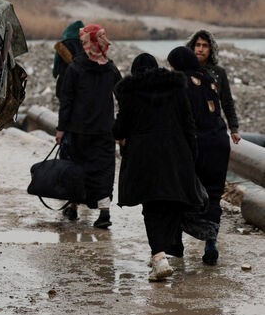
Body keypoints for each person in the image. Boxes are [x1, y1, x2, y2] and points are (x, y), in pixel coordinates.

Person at [113, 53, 207, 281]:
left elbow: (119, 130)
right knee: (174, 203)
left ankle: (158, 257)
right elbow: (188, 124)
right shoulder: (176, 89)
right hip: (177, 154)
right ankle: (162, 251)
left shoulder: (131, 93)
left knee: (152, 207)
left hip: (145, 158)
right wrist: (191, 155)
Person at [168, 46, 232, 266]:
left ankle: (176, 245)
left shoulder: (180, 82)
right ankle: (211, 243)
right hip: (219, 143)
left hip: (196, 145)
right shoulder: (208, 78)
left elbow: (179, 118)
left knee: (180, 192)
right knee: (213, 195)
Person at [55, 24, 121, 228]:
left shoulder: (75, 68)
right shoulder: (111, 69)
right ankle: (104, 212)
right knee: (104, 171)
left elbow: (67, 100)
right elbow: (124, 98)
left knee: (77, 169)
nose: (83, 45)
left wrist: (61, 128)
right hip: (104, 130)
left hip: (78, 130)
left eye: (84, 42)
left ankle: (73, 208)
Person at [186, 30, 241, 145]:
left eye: (205, 46)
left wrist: (234, 129)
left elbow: (227, 102)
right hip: (190, 131)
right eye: (198, 45)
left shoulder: (219, 73)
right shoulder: (184, 71)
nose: (200, 49)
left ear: (211, 49)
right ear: (192, 47)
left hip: (213, 130)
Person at [53, 20, 85, 97]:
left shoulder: (62, 45)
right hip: (81, 80)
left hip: (64, 78)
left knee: (64, 101)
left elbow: (56, 62)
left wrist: (55, 73)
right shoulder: (85, 45)